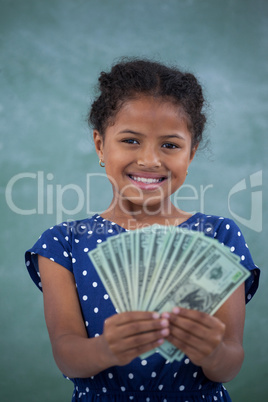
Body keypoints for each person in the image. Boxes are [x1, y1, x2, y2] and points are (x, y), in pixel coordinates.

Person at [25, 58, 260, 401]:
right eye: (131, 140)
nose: (150, 160)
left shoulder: (218, 236)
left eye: (170, 144)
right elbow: (66, 354)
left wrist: (212, 352)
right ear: (100, 145)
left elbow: (230, 363)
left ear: (191, 154)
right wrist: (106, 349)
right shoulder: (63, 244)